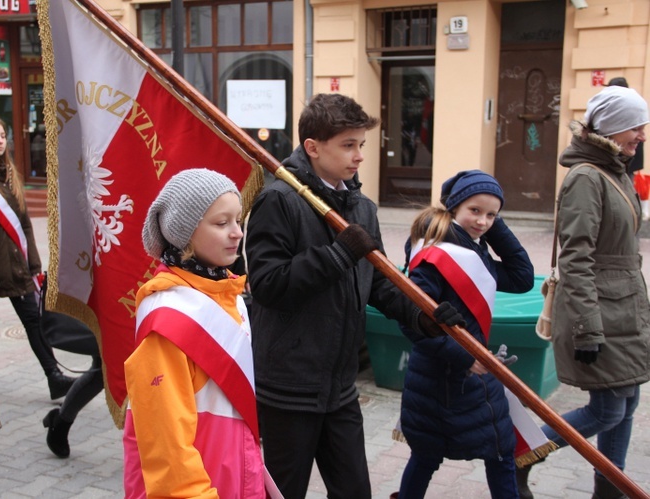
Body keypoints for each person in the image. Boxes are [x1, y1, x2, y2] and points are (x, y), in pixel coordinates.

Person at [243, 93, 463, 499]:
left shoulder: (360, 208)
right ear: (312, 147)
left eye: (361, 144)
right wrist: (338, 254)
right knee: (282, 491)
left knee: (354, 492)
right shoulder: (279, 200)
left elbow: (379, 282)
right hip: (289, 387)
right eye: (348, 145)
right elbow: (269, 285)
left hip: (339, 387)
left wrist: (420, 315)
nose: (359, 155)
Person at [517, 85, 650, 499]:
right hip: (601, 314)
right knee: (608, 409)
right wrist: (589, 330)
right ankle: (521, 452)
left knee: (626, 407)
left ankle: (610, 489)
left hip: (624, 310)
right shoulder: (586, 179)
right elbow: (577, 259)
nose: (642, 136)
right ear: (612, 128)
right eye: (636, 128)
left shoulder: (614, 172)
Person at [123, 168, 275, 498]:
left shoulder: (230, 296)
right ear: (186, 233)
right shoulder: (167, 320)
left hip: (231, 477)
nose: (237, 233)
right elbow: (168, 449)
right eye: (221, 224)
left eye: (238, 221)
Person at [392, 170, 534, 498]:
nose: (483, 221)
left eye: (492, 215)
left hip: (471, 375)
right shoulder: (435, 256)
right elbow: (408, 319)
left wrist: (492, 225)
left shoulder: (473, 249)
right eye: (475, 210)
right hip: (442, 378)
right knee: (431, 454)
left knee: (499, 450)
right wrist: (463, 356)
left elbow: (522, 276)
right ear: (454, 207)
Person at [0, 115, 75, 400]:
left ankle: (54, 376)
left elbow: (23, 223)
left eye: (2, 135)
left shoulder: (8, 174)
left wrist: (33, 262)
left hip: (14, 266)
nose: (0, 141)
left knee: (34, 320)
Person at [39, 273, 103, 459]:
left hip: (143, 283)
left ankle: (60, 422)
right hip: (107, 284)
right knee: (103, 372)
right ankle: (60, 423)